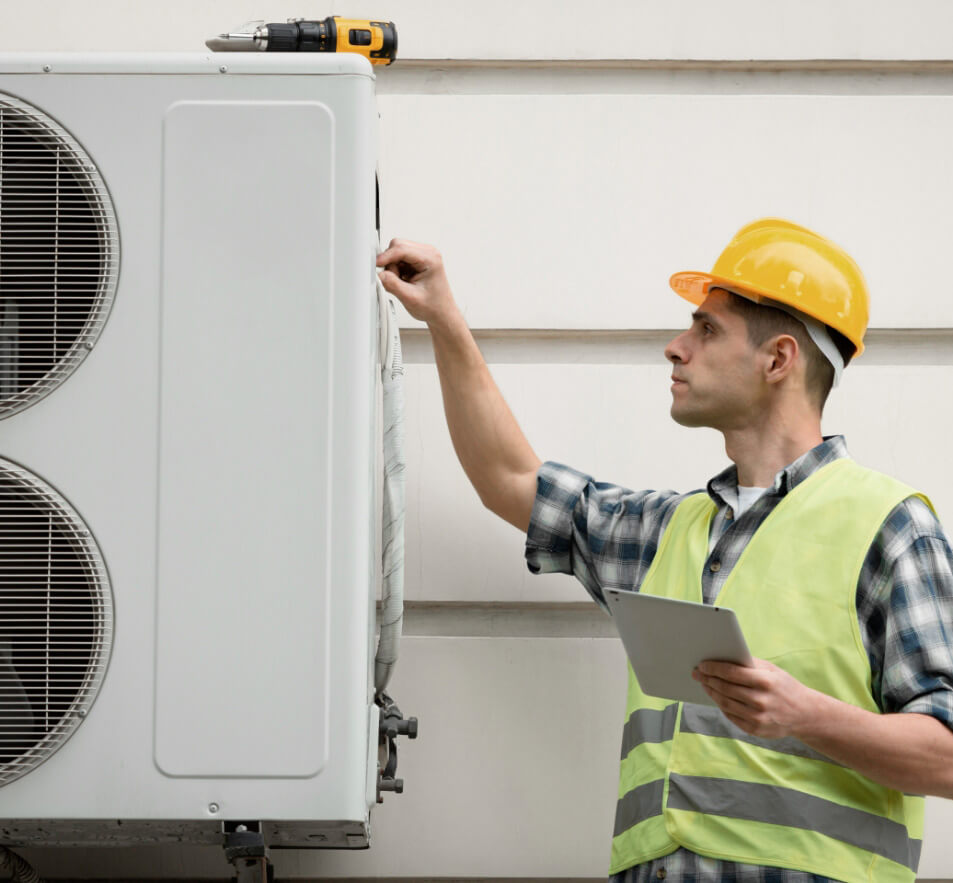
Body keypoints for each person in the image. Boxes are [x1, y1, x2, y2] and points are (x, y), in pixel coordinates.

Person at [376, 218, 953, 883]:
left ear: (777, 360)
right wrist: (443, 316)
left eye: (706, 329)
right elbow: (509, 479)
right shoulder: (665, 533)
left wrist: (805, 714)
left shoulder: (888, 527)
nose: (675, 348)